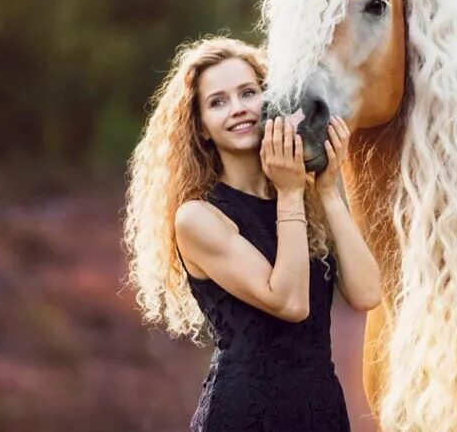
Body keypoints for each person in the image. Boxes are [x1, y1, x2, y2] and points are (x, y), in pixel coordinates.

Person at [123, 35, 382, 431]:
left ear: (271, 101)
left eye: (249, 92)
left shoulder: (301, 196)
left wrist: (327, 190)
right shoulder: (198, 217)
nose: (238, 108)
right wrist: (293, 192)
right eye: (218, 102)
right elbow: (290, 301)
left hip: (321, 408)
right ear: (202, 128)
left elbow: (366, 293)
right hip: (247, 413)